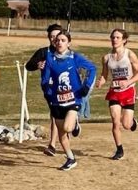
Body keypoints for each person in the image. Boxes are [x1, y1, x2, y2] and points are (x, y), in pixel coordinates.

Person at [40, 30, 97, 170]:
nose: (59, 42)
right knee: (62, 133)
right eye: (57, 40)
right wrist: (47, 90)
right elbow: (45, 79)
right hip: (56, 100)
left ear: (68, 43)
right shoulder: (50, 59)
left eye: (63, 40)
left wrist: (86, 86)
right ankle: (70, 158)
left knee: (67, 127)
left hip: (73, 99)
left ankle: (75, 122)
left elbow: (92, 69)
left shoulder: (74, 57)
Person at [95, 28, 138, 160]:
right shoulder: (106, 58)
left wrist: (128, 82)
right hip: (114, 92)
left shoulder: (130, 55)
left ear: (124, 40)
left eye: (117, 38)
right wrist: (101, 82)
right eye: (112, 37)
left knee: (126, 125)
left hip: (128, 91)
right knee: (115, 122)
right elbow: (105, 75)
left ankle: (132, 122)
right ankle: (119, 150)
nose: (114, 40)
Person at [24, 23, 65, 154]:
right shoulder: (43, 52)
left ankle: (71, 123)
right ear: (49, 38)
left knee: (63, 115)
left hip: (65, 88)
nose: (55, 40)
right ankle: (52, 145)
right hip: (49, 89)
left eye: (58, 36)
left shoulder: (67, 53)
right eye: (52, 37)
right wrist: (38, 64)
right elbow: (28, 66)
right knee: (54, 115)